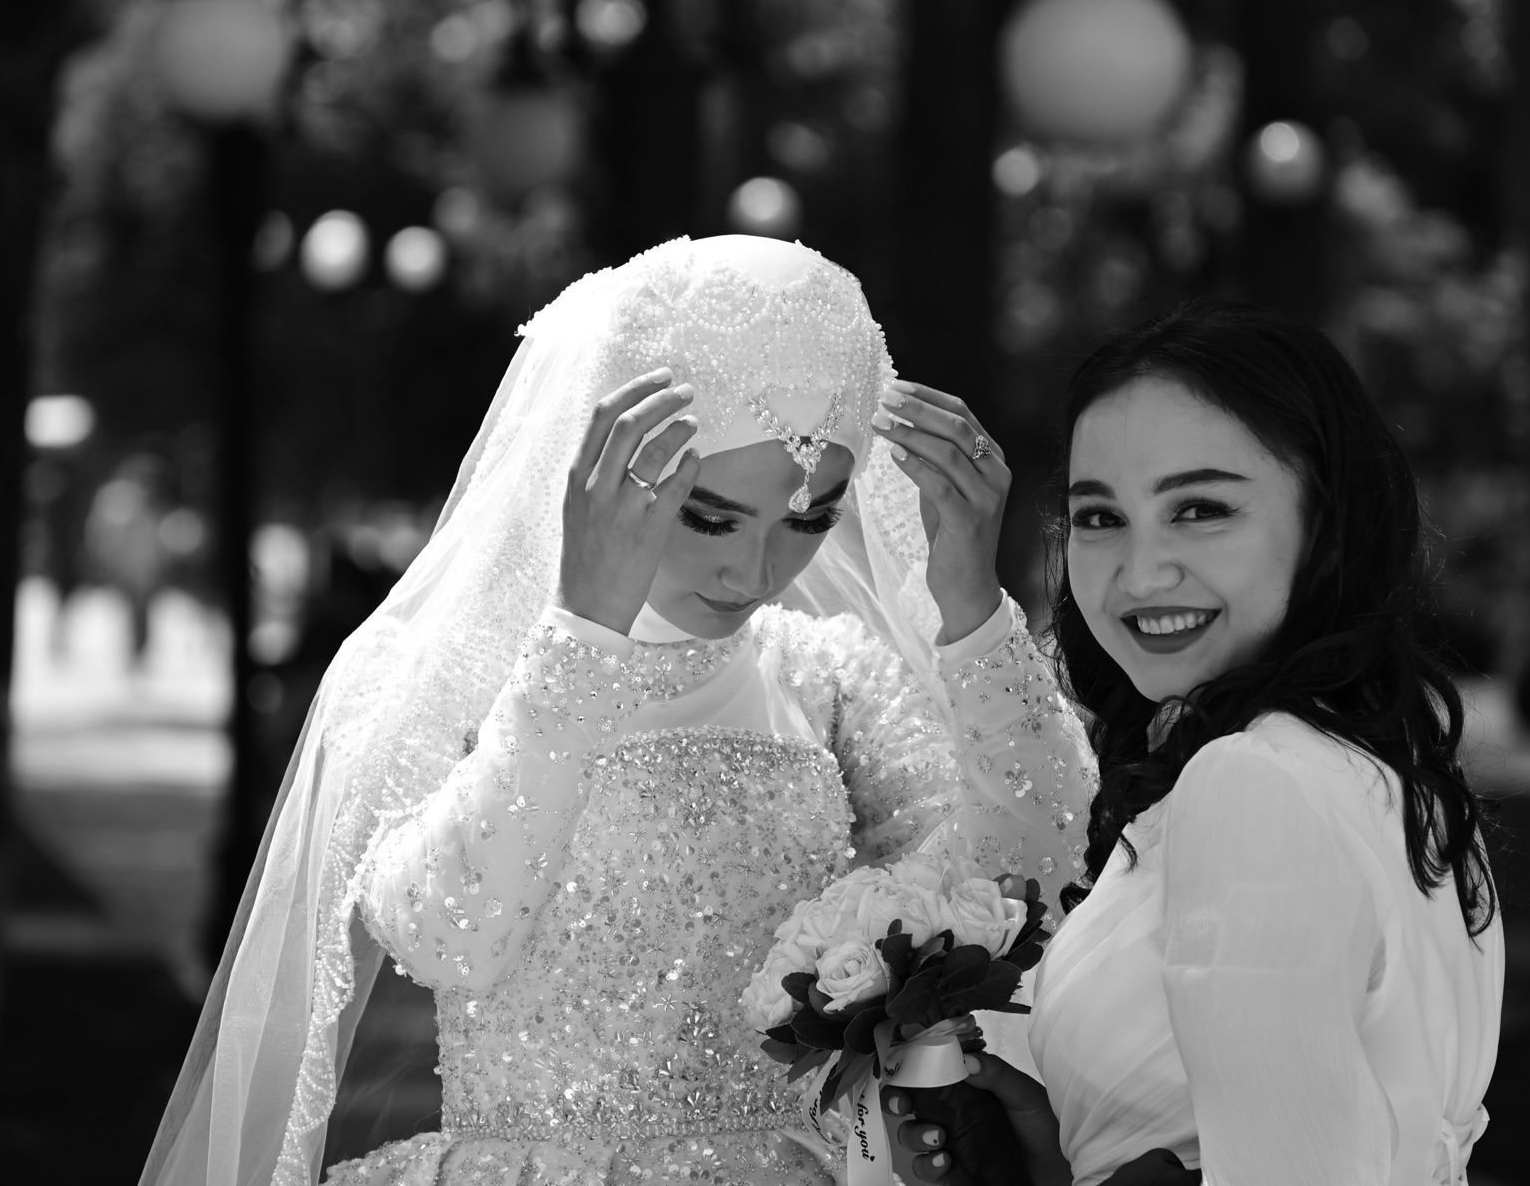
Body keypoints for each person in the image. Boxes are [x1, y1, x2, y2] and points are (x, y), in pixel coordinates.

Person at [140, 235, 1095, 1186]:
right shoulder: (472, 669)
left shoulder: (829, 678)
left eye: (808, 521)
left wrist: (972, 614)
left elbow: (1031, 876)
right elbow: (451, 936)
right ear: (610, 463)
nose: (755, 571)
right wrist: (582, 640)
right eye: (712, 515)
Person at [884, 302, 1504, 1186]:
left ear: (1327, 518)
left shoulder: (1253, 783)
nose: (1141, 573)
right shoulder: (1402, 782)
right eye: (1100, 517)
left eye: (1200, 508)